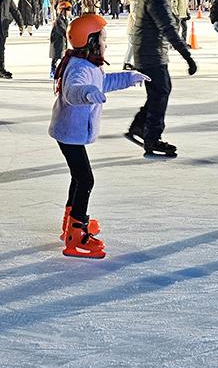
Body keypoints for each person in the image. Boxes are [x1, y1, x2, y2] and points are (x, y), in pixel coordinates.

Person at [49, 14, 148, 259]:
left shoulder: (89, 64)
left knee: (78, 178)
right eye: (103, 39)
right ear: (90, 41)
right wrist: (87, 93)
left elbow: (104, 82)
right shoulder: (79, 68)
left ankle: (71, 223)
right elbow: (73, 91)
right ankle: (76, 234)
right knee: (86, 180)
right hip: (69, 132)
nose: (106, 43)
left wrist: (129, 77)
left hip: (70, 131)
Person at [125, 0, 197, 158]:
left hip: (149, 51)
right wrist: (187, 56)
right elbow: (168, 27)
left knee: (159, 91)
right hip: (151, 53)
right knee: (161, 91)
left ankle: (140, 127)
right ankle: (152, 138)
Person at [49, 0, 72, 78]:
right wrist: (70, 36)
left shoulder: (65, 19)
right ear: (63, 11)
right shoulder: (59, 20)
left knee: (62, 57)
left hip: (62, 41)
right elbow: (63, 31)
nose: (69, 12)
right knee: (56, 57)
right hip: (57, 42)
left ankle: (61, 71)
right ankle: (53, 71)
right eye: (68, 10)